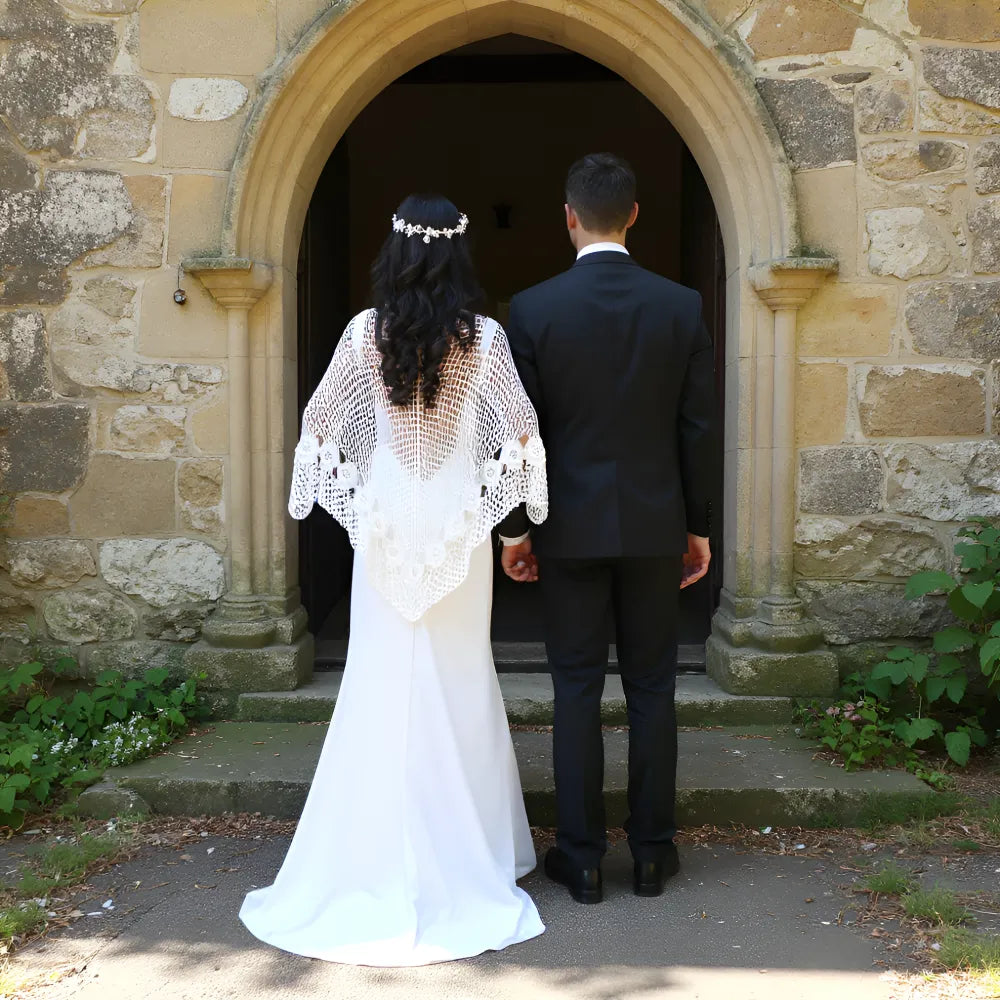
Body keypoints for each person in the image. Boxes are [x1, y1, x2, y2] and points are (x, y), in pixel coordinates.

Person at [239, 195, 548, 965]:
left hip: (383, 527)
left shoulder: (361, 333)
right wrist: (503, 518)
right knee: (459, 680)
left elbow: (320, 428)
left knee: (379, 680)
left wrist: (360, 499)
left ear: (395, 253)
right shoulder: (484, 338)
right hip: (453, 525)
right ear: (458, 257)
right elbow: (519, 433)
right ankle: (474, 854)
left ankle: (366, 856)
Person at [502, 153, 716, 905]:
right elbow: (697, 428)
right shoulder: (681, 305)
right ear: (633, 214)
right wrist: (699, 528)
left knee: (575, 690)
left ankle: (584, 859)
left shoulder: (531, 310)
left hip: (569, 530)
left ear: (569, 217)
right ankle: (654, 854)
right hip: (657, 526)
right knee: (655, 686)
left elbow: (520, 436)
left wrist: (516, 531)